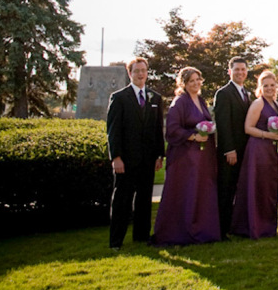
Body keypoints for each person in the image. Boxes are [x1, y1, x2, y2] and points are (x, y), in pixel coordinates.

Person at [153, 67, 221, 245]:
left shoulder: (201, 100)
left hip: (202, 157)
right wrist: (193, 136)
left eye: (198, 79)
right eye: (192, 81)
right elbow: (173, 129)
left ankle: (202, 229)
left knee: (201, 191)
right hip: (185, 158)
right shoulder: (180, 102)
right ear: (183, 83)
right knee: (186, 192)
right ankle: (181, 232)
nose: (196, 83)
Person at [106, 56, 164, 249]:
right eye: (136, 71)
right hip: (126, 160)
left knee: (144, 201)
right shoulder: (119, 98)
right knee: (122, 201)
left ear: (147, 72)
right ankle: (116, 241)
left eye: (143, 70)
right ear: (130, 73)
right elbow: (113, 131)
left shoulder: (155, 98)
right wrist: (116, 157)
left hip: (148, 160)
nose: (140, 74)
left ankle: (141, 236)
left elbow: (157, 129)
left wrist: (159, 155)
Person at [231, 69, 278, 239]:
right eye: (265, 85)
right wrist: (267, 135)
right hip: (257, 149)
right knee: (257, 185)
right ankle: (253, 225)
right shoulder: (258, 104)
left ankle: (267, 224)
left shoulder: (276, 104)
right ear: (260, 87)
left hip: (270, 149)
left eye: (272, 85)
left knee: (268, 186)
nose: (269, 88)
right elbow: (248, 128)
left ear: (276, 86)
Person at [214, 56, 251, 237]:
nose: (240, 73)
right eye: (236, 70)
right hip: (231, 151)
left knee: (239, 188)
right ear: (230, 71)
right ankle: (221, 229)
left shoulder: (247, 94)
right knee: (226, 190)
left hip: (246, 150)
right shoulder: (223, 93)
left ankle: (235, 226)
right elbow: (223, 124)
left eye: (243, 70)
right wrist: (229, 149)